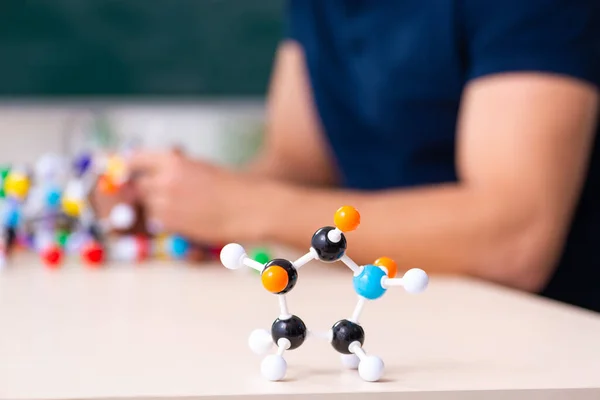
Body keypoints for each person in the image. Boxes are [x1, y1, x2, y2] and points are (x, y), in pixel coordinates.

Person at [125, 0, 600, 312]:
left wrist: (244, 207)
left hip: (548, 338)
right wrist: (174, 200)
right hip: (389, 313)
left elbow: (515, 237)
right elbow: (296, 168)